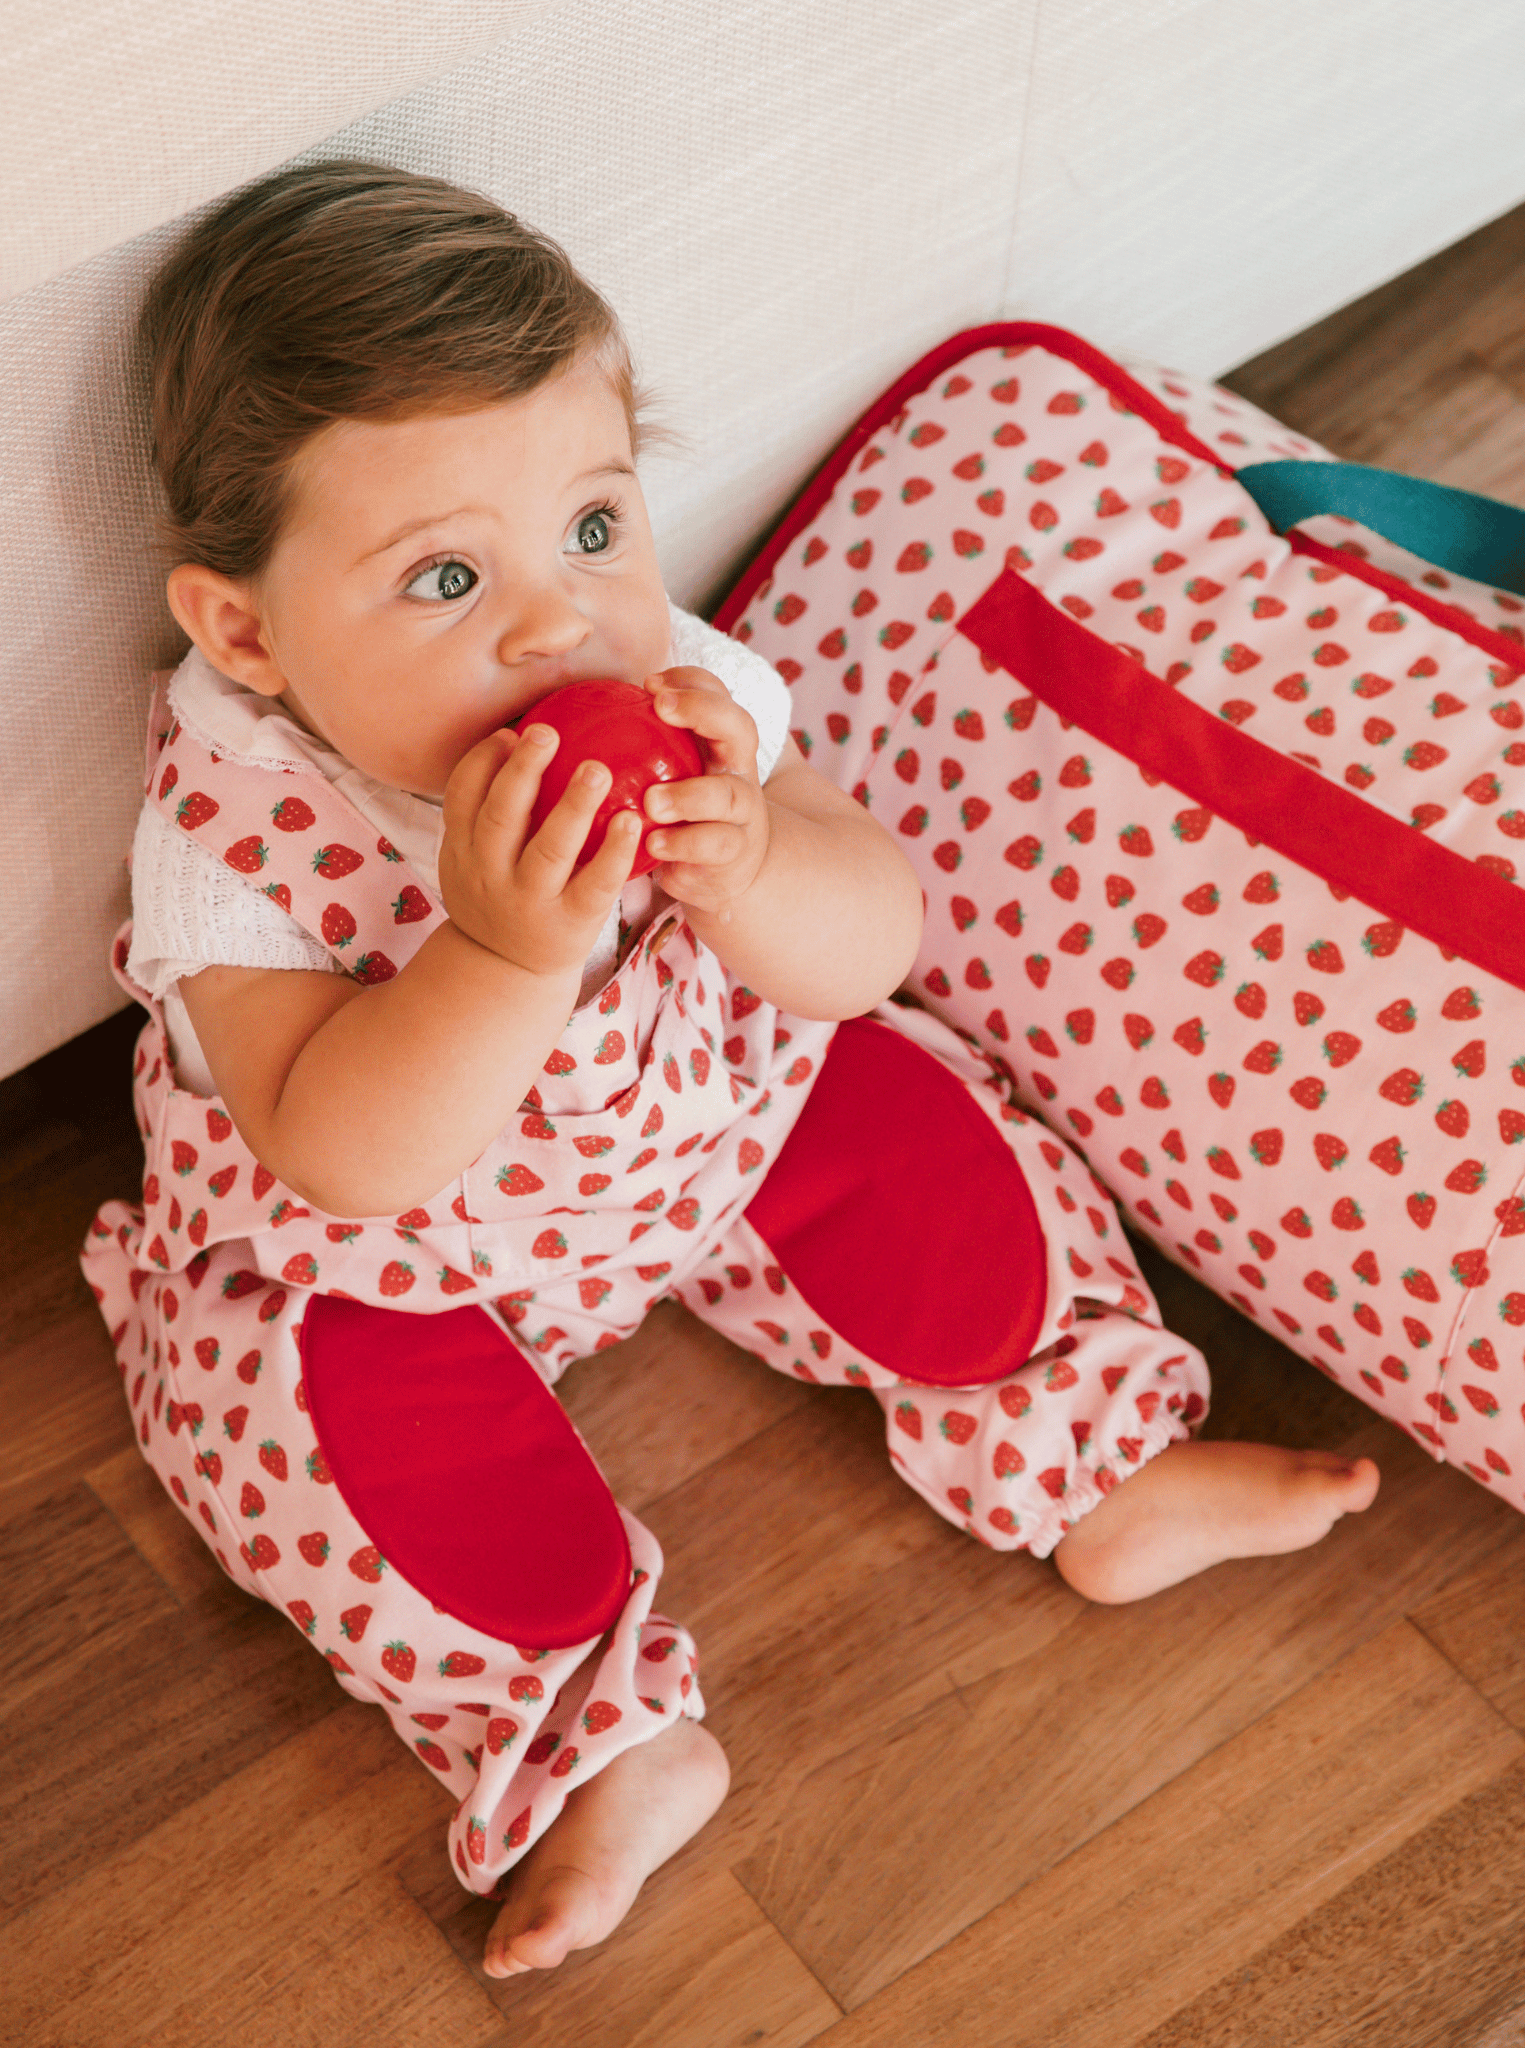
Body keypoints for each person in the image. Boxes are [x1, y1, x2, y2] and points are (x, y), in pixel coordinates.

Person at [81, 157, 1379, 1981]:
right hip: (398, 1264)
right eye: (447, 577)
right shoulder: (235, 826)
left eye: (595, 526)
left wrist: (760, 862)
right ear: (245, 632)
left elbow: (878, 940)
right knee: (289, 1430)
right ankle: (597, 1735)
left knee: (930, 1123)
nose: (559, 626)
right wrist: (504, 953)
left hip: (704, 1133)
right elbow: (337, 1151)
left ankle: (1092, 1453)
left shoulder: (676, 692)